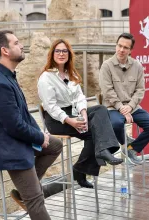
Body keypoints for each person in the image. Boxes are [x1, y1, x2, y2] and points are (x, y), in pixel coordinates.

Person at [0, 30, 63, 220]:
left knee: (55, 145)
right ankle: (30, 193)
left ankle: (25, 190)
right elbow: (13, 126)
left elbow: (22, 114)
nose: (21, 45)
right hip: (6, 146)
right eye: (16, 43)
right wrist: (39, 137)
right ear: (5, 50)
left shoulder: (6, 75)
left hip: (14, 139)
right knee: (36, 201)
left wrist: (41, 135)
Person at [37, 39, 123, 189]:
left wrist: (83, 114)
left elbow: (79, 97)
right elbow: (51, 107)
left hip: (74, 113)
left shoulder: (71, 74)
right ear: (52, 54)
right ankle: (86, 165)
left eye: (65, 51)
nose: (61, 54)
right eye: (58, 51)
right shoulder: (46, 77)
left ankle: (85, 165)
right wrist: (70, 121)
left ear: (69, 54)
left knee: (100, 111)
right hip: (57, 120)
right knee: (95, 130)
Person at [99, 33, 149, 165]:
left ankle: (130, 148)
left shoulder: (137, 66)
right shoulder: (106, 66)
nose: (121, 50)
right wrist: (121, 108)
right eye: (119, 46)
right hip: (113, 107)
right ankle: (125, 141)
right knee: (116, 123)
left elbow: (140, 90)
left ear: (130, 50)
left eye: (125, 47)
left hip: (133, 107)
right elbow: (107, 91)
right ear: (116, 46)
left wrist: (130, 107)